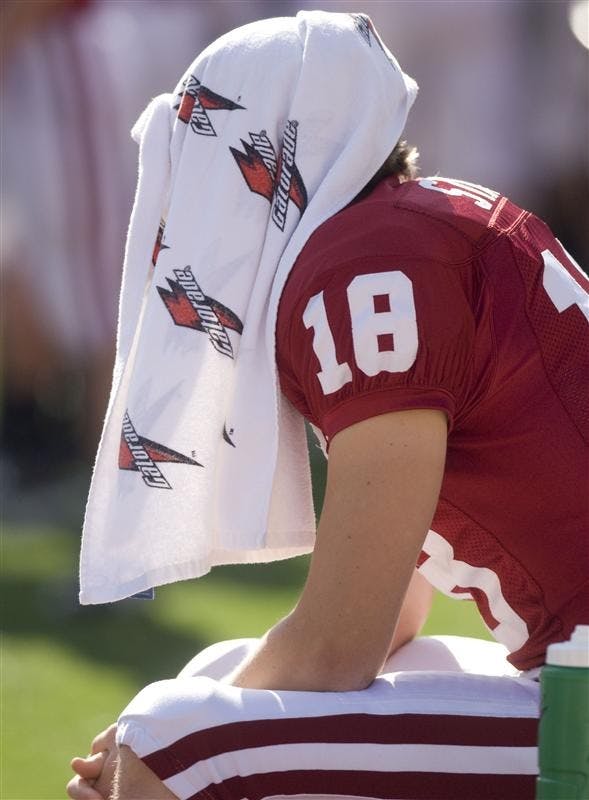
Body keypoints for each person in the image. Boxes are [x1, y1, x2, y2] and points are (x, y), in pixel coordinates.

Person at [67, 11, 588, 800]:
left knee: (173, 739)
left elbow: (339, 645)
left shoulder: (368, 266)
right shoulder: (409, 227)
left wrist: (146, 748)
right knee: (204, 685)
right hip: (571, 664)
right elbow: (389, 620)